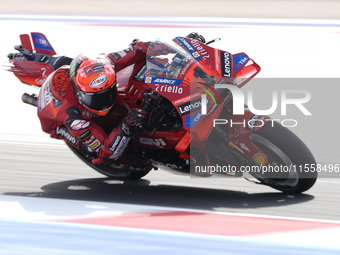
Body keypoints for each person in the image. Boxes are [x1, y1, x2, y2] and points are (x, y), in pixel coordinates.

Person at [37, 33, 205, 167]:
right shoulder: (74, 119)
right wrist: (125, 127)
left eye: (107, 92)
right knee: (122, 158)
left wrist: (173, 47)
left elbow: (137, 49)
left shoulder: (107, 63)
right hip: (57, 122)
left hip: (72, 80)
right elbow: (104, 150)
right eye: (97, 98)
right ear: (81, 94)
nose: (105, 101)